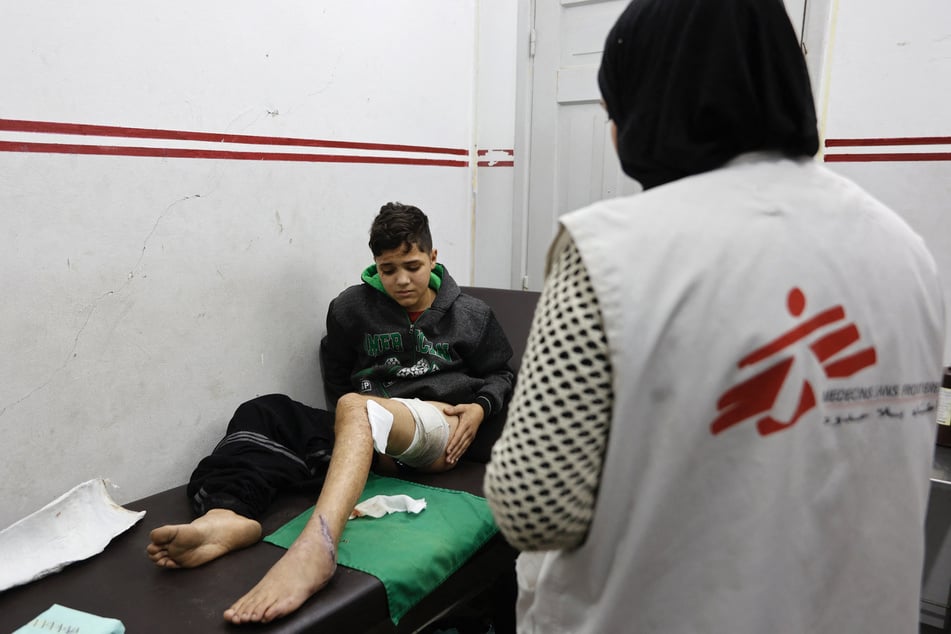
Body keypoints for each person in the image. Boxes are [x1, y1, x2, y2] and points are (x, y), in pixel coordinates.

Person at [483, 0, 947, 632]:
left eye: (614, 102)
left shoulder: (609, 252)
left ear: (648, 105)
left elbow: (535, 507)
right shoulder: (904, 250)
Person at [147, 202, 515, 625]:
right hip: (365, 420)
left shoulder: (471, 315)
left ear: (433, 258)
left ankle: (316, 548)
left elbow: (501, 371)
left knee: (356, 407)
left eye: (412, 266)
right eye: (388, 268)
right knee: (265, 411)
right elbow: (338, 374)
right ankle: (227, 514)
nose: (401, 280)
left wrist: (480, 407)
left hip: (434, 424)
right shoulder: (350, 308)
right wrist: (360, 436)